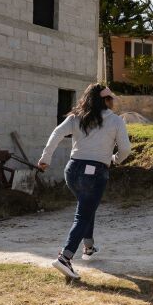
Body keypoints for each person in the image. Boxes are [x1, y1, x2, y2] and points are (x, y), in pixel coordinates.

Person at [38, 83, 131, 280]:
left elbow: (56, 133)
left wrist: (46, 158)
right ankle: (65, 257)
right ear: (105, 100)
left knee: (87, 207)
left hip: (72, 171)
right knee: (84, 213)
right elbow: (125, 150)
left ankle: (88, 246)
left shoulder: (76, 117)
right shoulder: (116, 121)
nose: (113, 101)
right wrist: (115, 160)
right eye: (111, 98)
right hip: (95, 173)